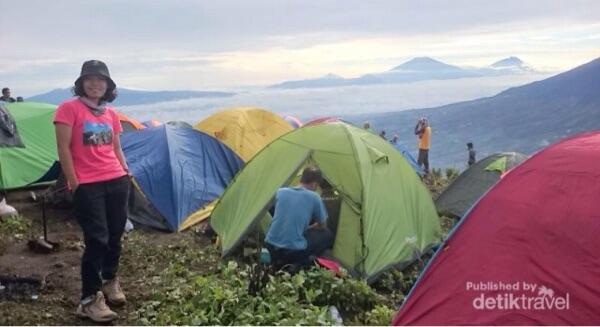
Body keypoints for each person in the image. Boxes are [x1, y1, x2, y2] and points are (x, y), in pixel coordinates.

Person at [54, 60, 130, 323]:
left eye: (101, 79)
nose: (95, 83)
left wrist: (125, 171)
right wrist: (75, 183)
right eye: (90, 79)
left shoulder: (110, 114)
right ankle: (89, 298)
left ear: (108, 85)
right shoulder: (68, 109)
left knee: (115, 235)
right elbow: (63, 149)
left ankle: (110, 280)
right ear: (81, 83)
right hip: (88, 184)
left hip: (117, 180)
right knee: (97, 239)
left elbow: (116, 147)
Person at [265, 166, 334, 270]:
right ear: (315, 184)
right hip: (292, 251)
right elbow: (323, 225)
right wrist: (310, 227)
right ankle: (300, 263)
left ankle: (275, 261)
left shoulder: (281, 191)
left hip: (270, 247)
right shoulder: (314, 197)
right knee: (327, 234)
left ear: (302, 178)